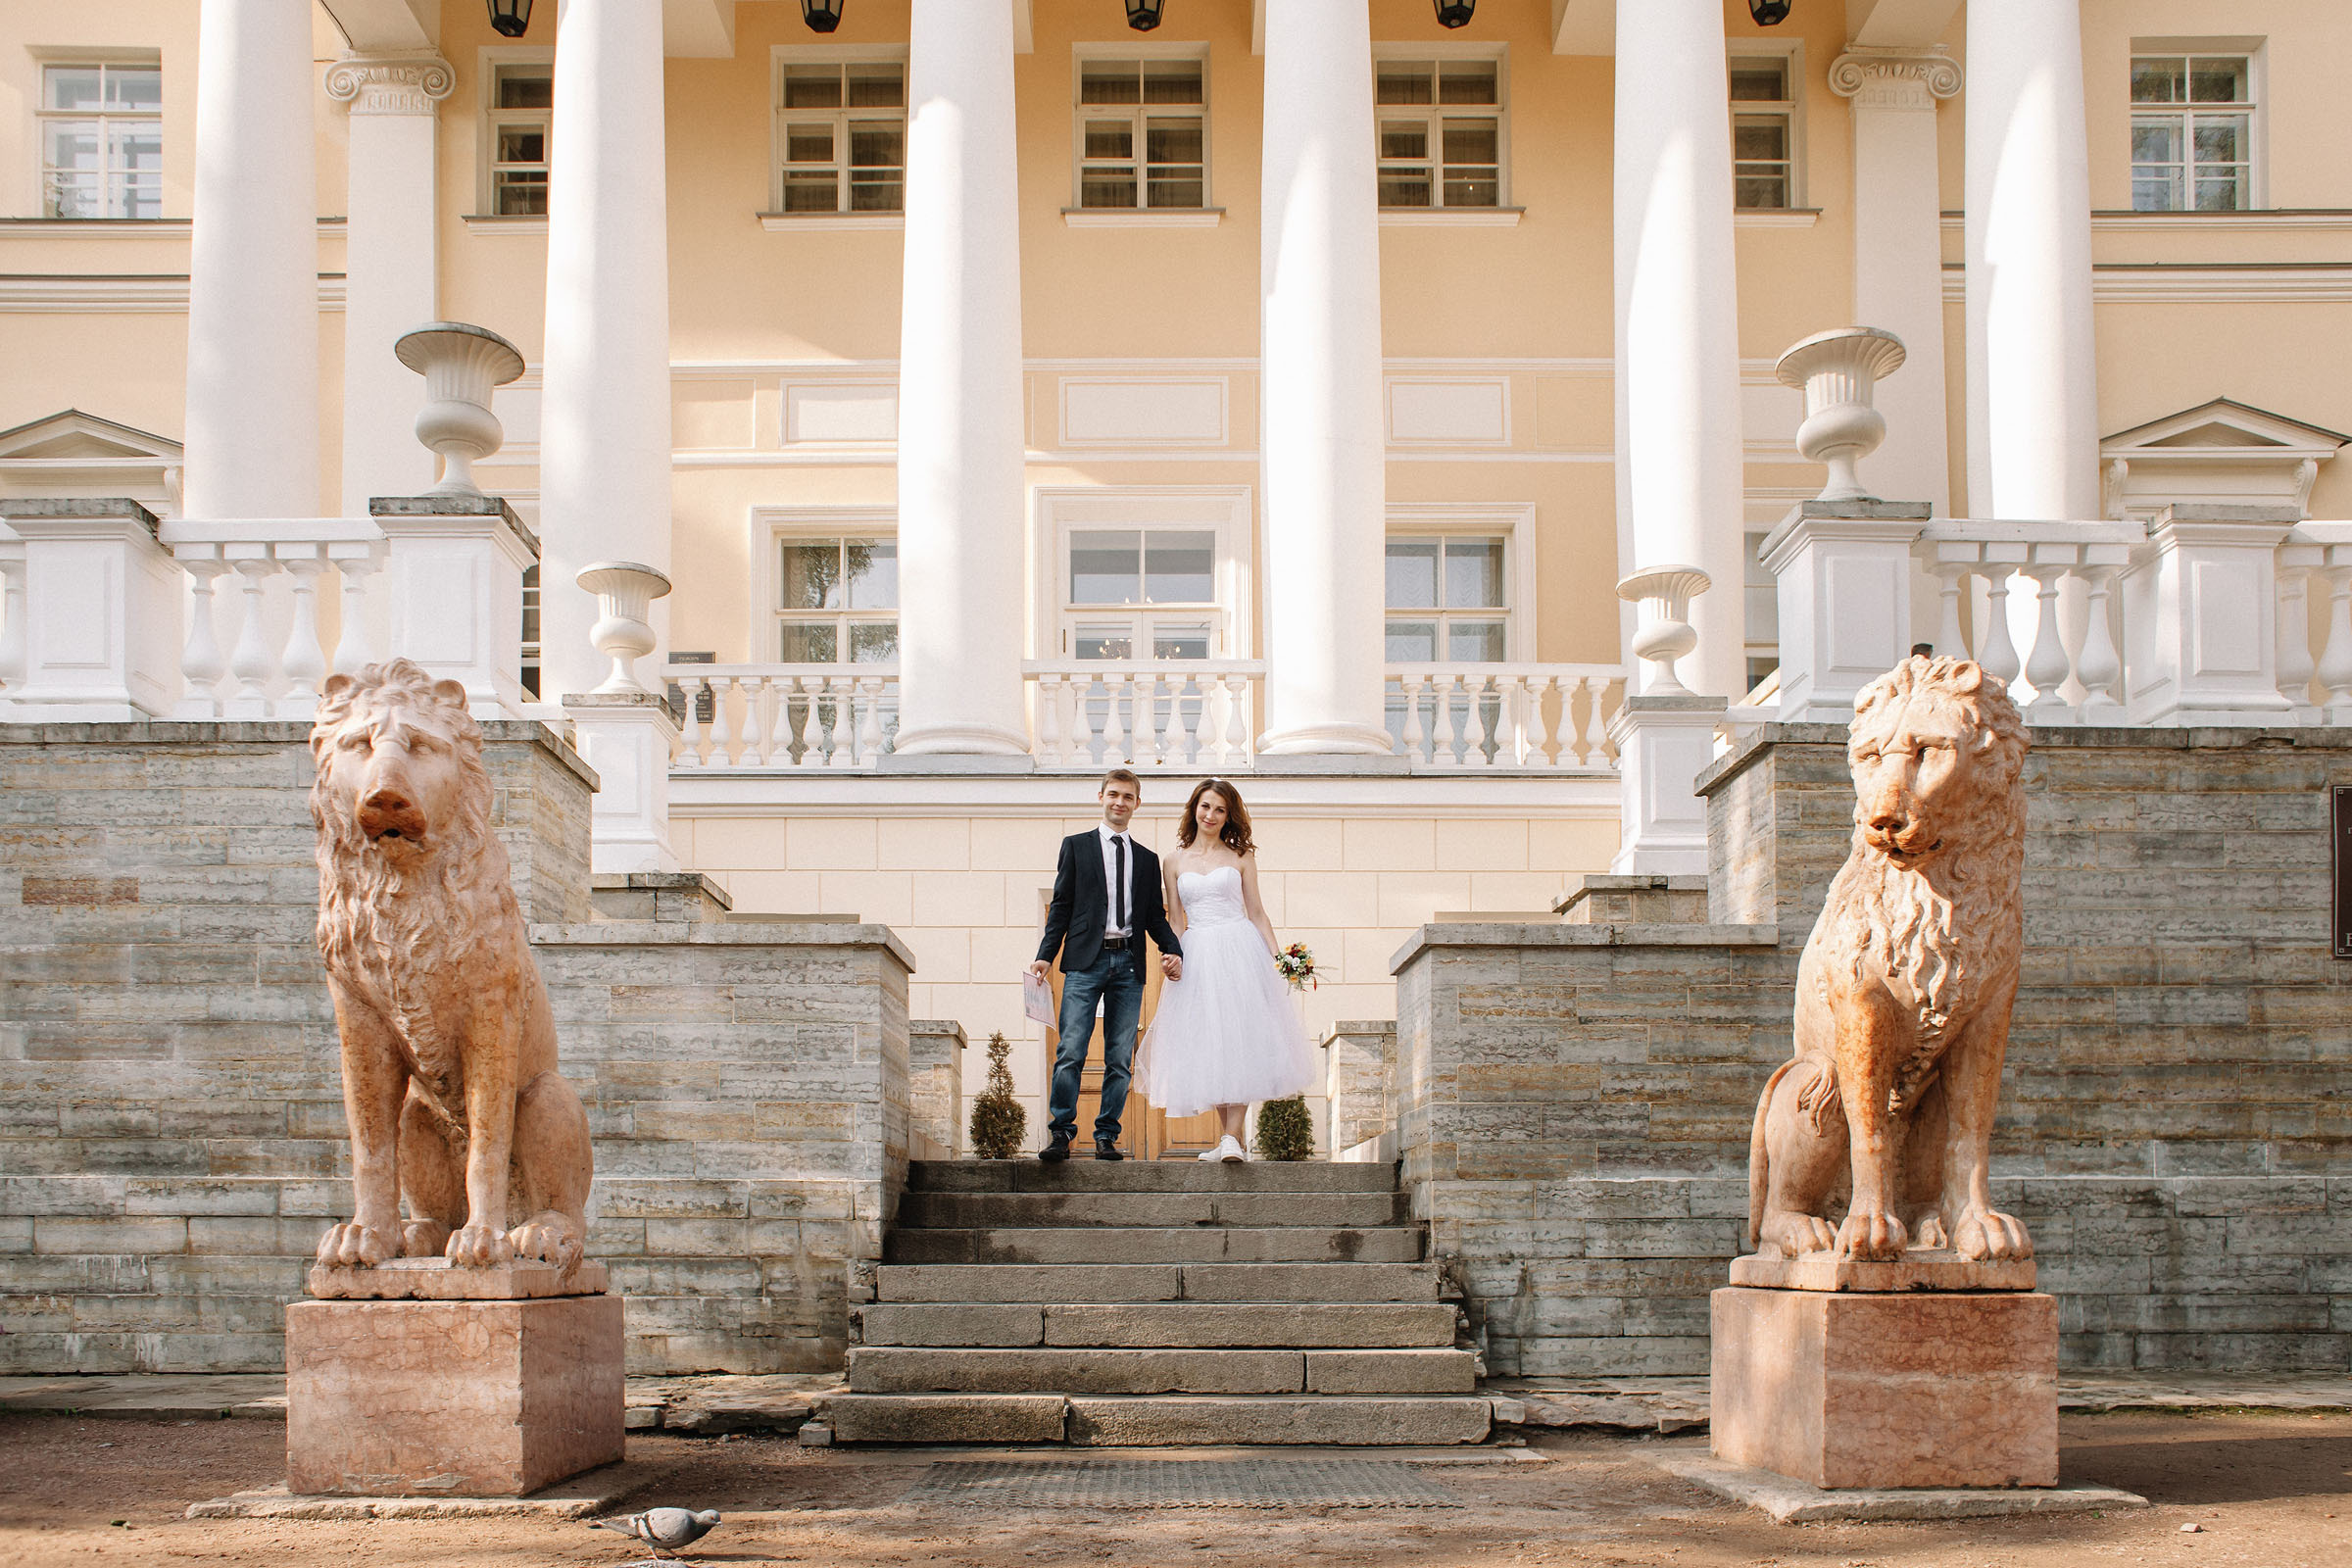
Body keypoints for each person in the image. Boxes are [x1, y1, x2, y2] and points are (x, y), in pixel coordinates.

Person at [1135, 778, 1318, 1163]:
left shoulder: (1241, 857)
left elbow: (1256, 912)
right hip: (1197, 952)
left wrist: (1277, 957)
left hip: (1239, 949)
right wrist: (1173, 954)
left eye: (1220, 809)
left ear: (1228, 815)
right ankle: (1229, 1138)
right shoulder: (1173, 861)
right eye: (1205, 806)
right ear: (1194, 809)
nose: (1211, 815)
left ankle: (1232, 1138)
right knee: (1209, 1045)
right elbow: (1176, 919)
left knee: (1241, 1039)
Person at [1026, 768, 1183, 1161]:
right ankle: (1061, 1133)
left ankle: (1106, 1136)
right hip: (1084, 962)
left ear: (1137, 804)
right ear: (1100, 797)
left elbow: (1153, 915)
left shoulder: (1146, 860)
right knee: (1071, 1051)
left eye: (1127, 797)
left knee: (1118, 1058)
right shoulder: (1076, 847)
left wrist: (1173, 947)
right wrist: (1046, 954)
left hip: (1129, 964)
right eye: (1113, 794)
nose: (1119, 802)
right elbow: (1061, 905)